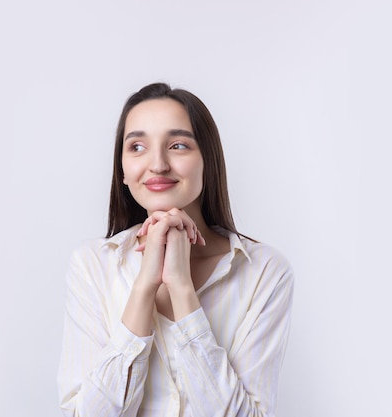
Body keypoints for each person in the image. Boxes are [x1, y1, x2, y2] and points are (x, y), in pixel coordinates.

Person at [57, 83, 294, 417]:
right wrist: (144, 287)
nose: (157, 164)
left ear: (207, 161)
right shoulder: (92, 264)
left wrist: (182, 290)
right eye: (137, 146)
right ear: (122, 170)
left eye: (178, 145)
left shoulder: (263, 270)